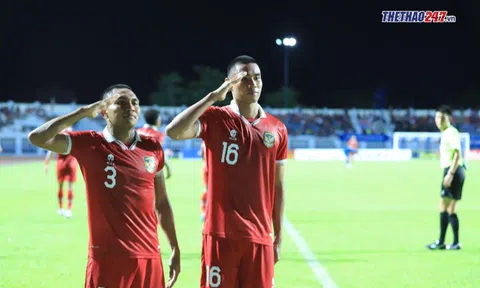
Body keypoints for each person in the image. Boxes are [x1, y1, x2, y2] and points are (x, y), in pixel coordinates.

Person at [28, 84, 180, 288]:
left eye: (135, 102)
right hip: (108, 261)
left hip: (150, 257)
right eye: (121, 102)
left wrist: (174, 248)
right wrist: (82, 113)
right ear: (103, 111)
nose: (131, 107)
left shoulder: (152, 147)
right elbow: (37, 137)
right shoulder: (90, 143)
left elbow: (161, 202)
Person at [166, 55, 288, 287]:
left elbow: (278, 187)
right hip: (221, 235)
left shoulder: (277, 128)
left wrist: (278, 238)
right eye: (244, 78)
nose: (253, 84)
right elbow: (174, 131)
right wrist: (214, 97)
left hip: (260, 237)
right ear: (230, 83)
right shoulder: (216, 118)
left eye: (257, 78)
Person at [426, 105, 466, 250]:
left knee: (444, 206)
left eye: (440, 117)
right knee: (450, 209)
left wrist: (450, 173)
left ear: (447, 118)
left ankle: (442, 242)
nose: (438, 120)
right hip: (456, 171)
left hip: (453, 171)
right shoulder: (449, 133)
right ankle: (453, 243)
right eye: (436, 117)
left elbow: (457, 154)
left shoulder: (450, 133)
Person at [44, 127, 78, 218]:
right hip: (71, 162)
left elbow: (51, 152)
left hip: (61, 163)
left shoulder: (59, 138)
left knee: (60, 186)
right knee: (70, 187)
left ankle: (61, 208)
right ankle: (69, 210)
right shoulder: (74, 137)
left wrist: (46, 164)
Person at [137, 108, 172, 179]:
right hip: (149, 168)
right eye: (159, 118)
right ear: (157, 120)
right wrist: (167, 167)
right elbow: (157, 154)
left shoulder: (136, 132)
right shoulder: (158, 135)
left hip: (134, 165)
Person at [200, 140, 207, 222]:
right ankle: (204, 211)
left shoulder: (203, 142)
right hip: (212, 166)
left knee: (206, 189)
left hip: (206, 165)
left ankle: (204, 211)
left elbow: (202, 155)